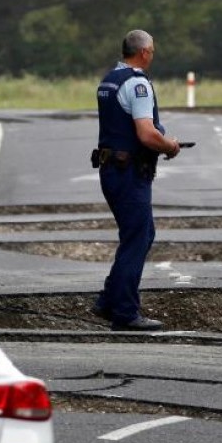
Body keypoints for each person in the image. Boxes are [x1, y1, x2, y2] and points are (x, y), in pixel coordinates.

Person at [91, 29, 181, 331]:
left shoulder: (109, 80)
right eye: (152, 51)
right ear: (143, 52)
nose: (152, 56)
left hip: (111, 168)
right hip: (128, 172)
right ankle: (126, 312)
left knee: (140, 234)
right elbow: (145, 133)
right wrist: (169, 145)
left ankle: (108, 300)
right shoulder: (137, 83)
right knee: (137, 238)